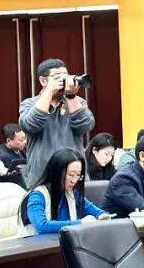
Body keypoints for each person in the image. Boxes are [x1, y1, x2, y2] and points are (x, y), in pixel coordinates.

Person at [19, 58, 96, 186]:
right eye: (57, 78)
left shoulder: (78, 102)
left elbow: (86, 126)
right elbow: (30, 125)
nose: (63, 81)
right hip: (42, 177)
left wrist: (71, 96)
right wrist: (49, 91)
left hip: (74, 177)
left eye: (65, 76)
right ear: (43, 81)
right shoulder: (29, 104)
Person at [23, 149, 110, 235]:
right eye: (71, 175)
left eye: (78, 175)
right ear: (56, 173)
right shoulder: (38, 195)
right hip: (39, 243)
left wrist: (102, 216)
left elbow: (98, 212)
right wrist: (80, 223)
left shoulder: (73, 194)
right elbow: (41, 225)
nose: (74, 180)